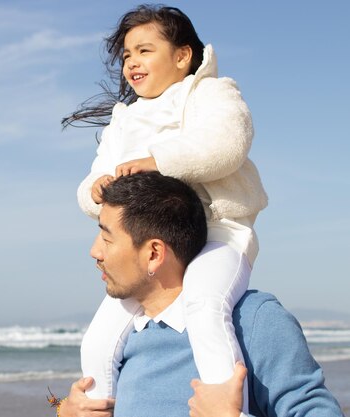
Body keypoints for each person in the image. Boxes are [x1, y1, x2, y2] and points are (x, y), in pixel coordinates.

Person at [61, 4, 267, 411]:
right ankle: (98, 405)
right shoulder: (125, 119)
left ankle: (228, 407)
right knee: (99, 336)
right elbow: (91, 184)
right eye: (126, 55)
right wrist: (97, 190)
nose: (132, 62)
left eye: (144, 50)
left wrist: (159, 161)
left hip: (218, 232)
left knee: (205, 305)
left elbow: (226, 145)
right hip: (157, 247)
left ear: (182, 56)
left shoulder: (211, 92)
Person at [57, 172, 343, 417]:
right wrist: (63, 411)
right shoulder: (117, 340)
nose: (94, 252)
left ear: (154, 254)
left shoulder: (254, 319)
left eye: (107, 238)